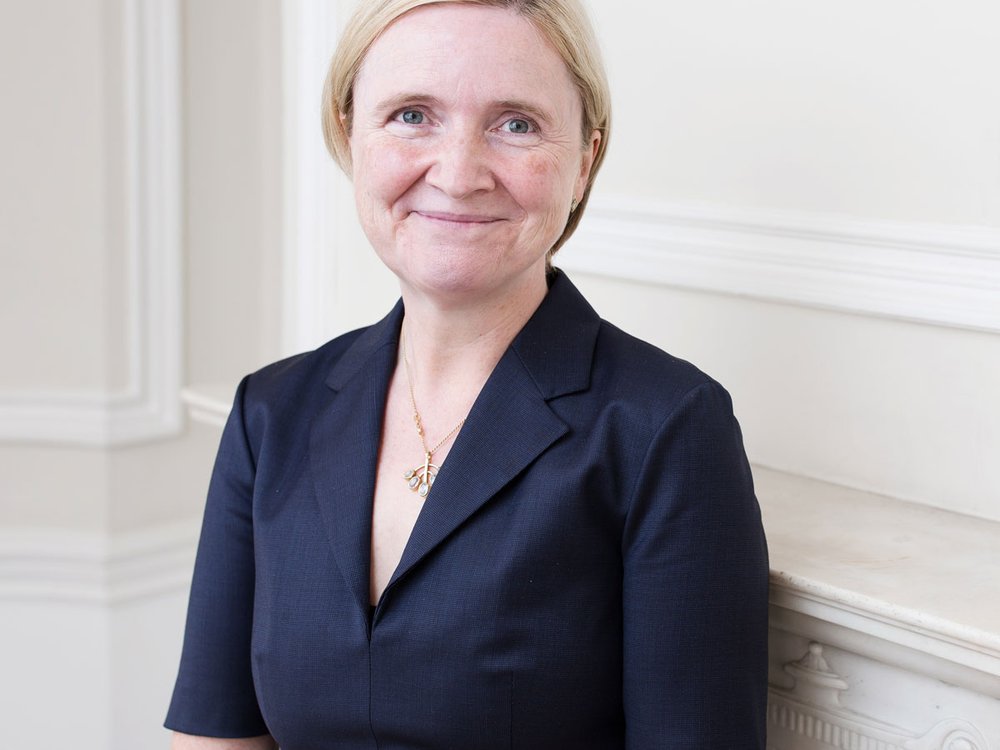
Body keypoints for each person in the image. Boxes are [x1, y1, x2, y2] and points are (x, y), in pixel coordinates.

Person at [165, 0, 769, 747]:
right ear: (350, 133)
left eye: (515, 123)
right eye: (412, 115)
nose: (457, 174)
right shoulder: (271, 413)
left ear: (583, 160)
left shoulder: (666, 428)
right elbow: (214, 735)